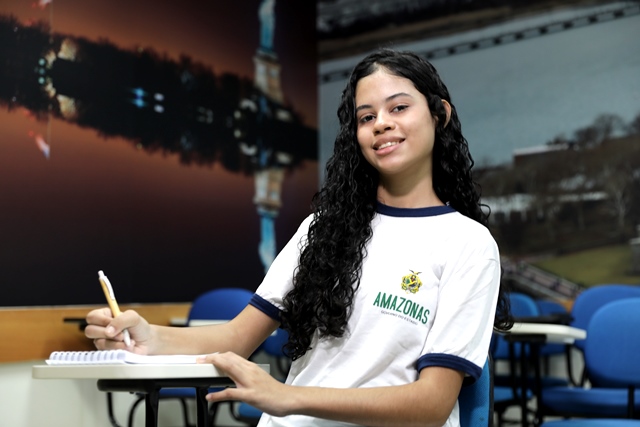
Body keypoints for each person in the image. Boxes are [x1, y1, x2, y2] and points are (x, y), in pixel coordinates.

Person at [86, 48, 512, 427]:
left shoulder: (468, 244)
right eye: (366, 117)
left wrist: (286, 396)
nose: (382, 124)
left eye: (398, 108)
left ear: (440, 113)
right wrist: (150, 336)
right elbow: (236, 338)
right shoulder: (324, 227)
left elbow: (431, 405)